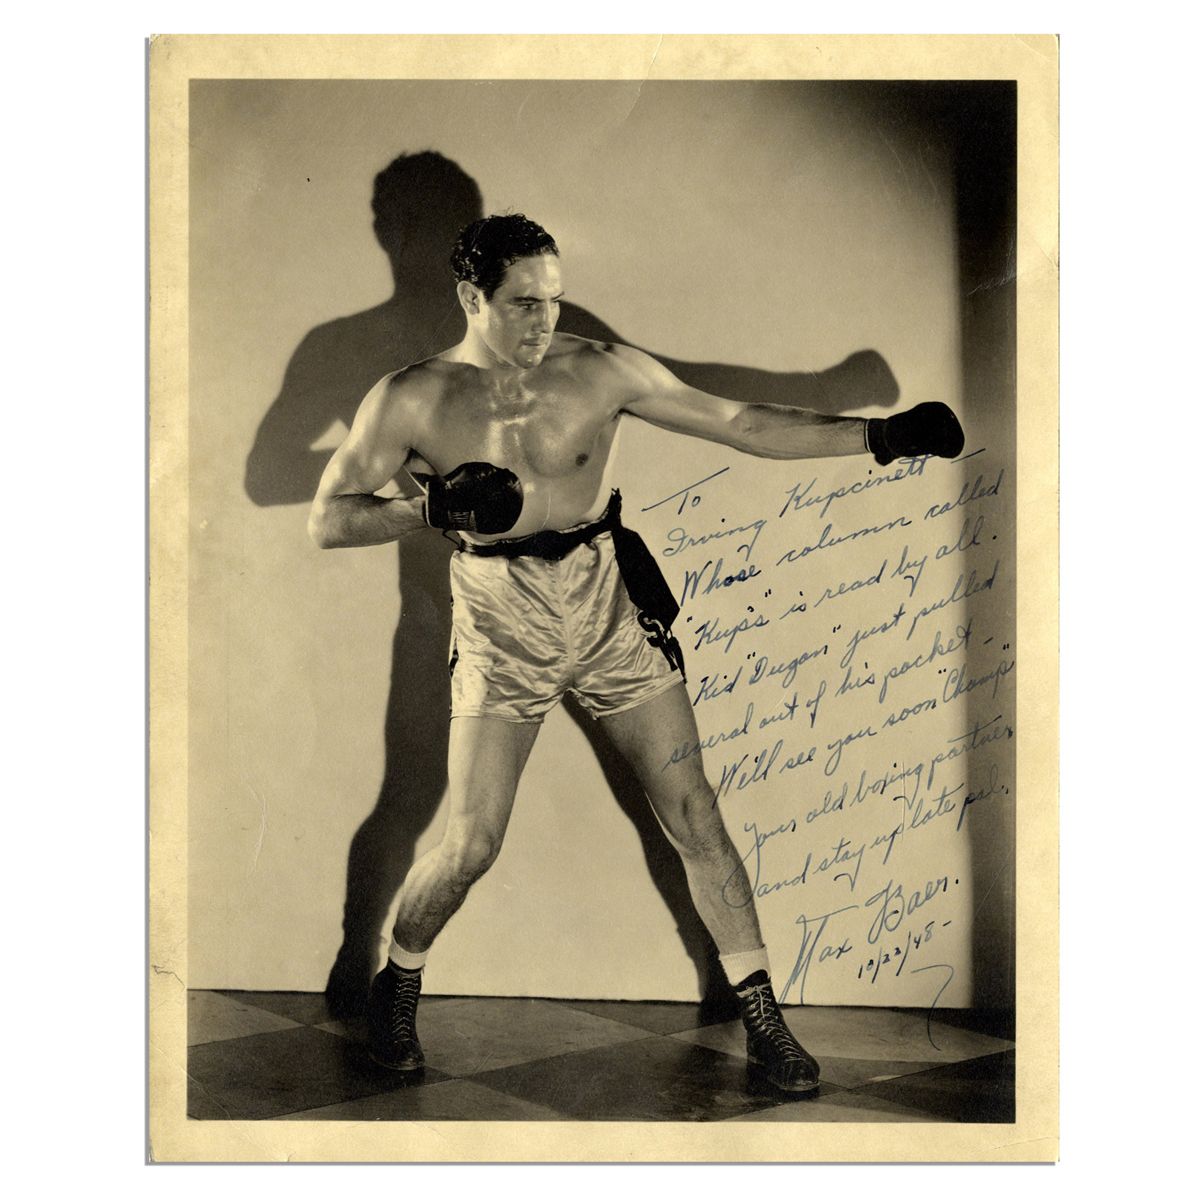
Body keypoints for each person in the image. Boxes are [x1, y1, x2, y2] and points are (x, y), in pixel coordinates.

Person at [308, 213, 964, 1095]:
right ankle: (399, 983)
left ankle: (764, 1017)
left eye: (553, 299)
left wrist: (878, 436)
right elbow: (328, 519)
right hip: (501, 618)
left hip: (606, 602)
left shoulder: (599, 368)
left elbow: (739, 420)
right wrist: (427, 509)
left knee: (695, 812)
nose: (544, 321)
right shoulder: (411, 399)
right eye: (522, 304)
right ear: (471, 297)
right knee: (472, 841)